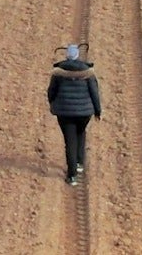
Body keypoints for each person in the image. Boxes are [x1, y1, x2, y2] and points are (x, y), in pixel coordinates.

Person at [47, 44, 101, 186]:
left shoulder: (58, 73)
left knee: (69, 141)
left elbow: (51, 91)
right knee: (81, 132)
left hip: (64, 112)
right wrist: (97, 110)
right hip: (84, 113)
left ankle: (72, 176)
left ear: (67, 56)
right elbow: (94, 93)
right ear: (77, 56)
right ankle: (79, 163)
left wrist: (53, 103)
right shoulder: (88, 72)